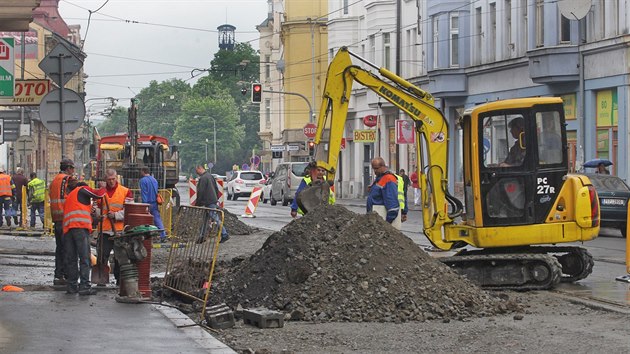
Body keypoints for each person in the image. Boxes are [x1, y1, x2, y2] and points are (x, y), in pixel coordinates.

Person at [63, 178, 106, 295]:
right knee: (84, 258)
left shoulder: (71, 196)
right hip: (79, 228)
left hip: (68, 230)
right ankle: (85, 287)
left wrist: (96, 218)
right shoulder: (82, 189)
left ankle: (72, 287)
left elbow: (81, 212)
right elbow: (99, 194)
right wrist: (103, 187)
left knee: (72, 259)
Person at [94, 169, 134, 286]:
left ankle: (119, 280)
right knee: (102, 255)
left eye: (113, 179)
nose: (111, 182)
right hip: (105, 230)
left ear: (116, 178)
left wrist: (116, 215)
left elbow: (129, 210)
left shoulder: (125, 191)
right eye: (109, 180)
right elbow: (96, 207)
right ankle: (101, 279)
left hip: (119, 230)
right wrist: (97, 213)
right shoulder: (101, 192)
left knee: (120, 257)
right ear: (105, 179)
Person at [49, 158, 75, 285]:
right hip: (66, 218)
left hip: (57, 219)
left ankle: (58, 276)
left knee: (60, 248)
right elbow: (78, 190)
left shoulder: (54, 180)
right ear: (69, 168)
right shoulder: (67, 179)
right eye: (73, 169)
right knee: (67, 249)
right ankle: (66, 275)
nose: (73, 171)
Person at [196, 163, 229, 243]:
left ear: (200, 168)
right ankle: (202, 236)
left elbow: (201, 191)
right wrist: (216, 198)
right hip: (212, 200)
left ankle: (224, 234)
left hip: (208, 201)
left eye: (196, 170)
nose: (196, 172)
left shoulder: (203, 178)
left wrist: (198, 203)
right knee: (205, 219)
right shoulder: (210, 176)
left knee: (214, 217)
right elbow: (216, 188)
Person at [367, 157, 403, 230]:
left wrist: (386, 224)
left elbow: (392, 205)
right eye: (373, 168)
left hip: (382, 221)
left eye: (376, 168)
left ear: (383, 166)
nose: (375, 171)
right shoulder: (380, 178)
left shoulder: (388, 179)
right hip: (377, 220)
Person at [139, 166, 166, 242]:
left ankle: (146, 237)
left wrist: (144, 205)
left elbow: (144, 193)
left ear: (143, 171)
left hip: (147, 203)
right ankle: (162, 235)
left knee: (144, 220)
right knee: (157, 219)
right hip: (154, 203)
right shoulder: (154, 180)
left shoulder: (142, 181)